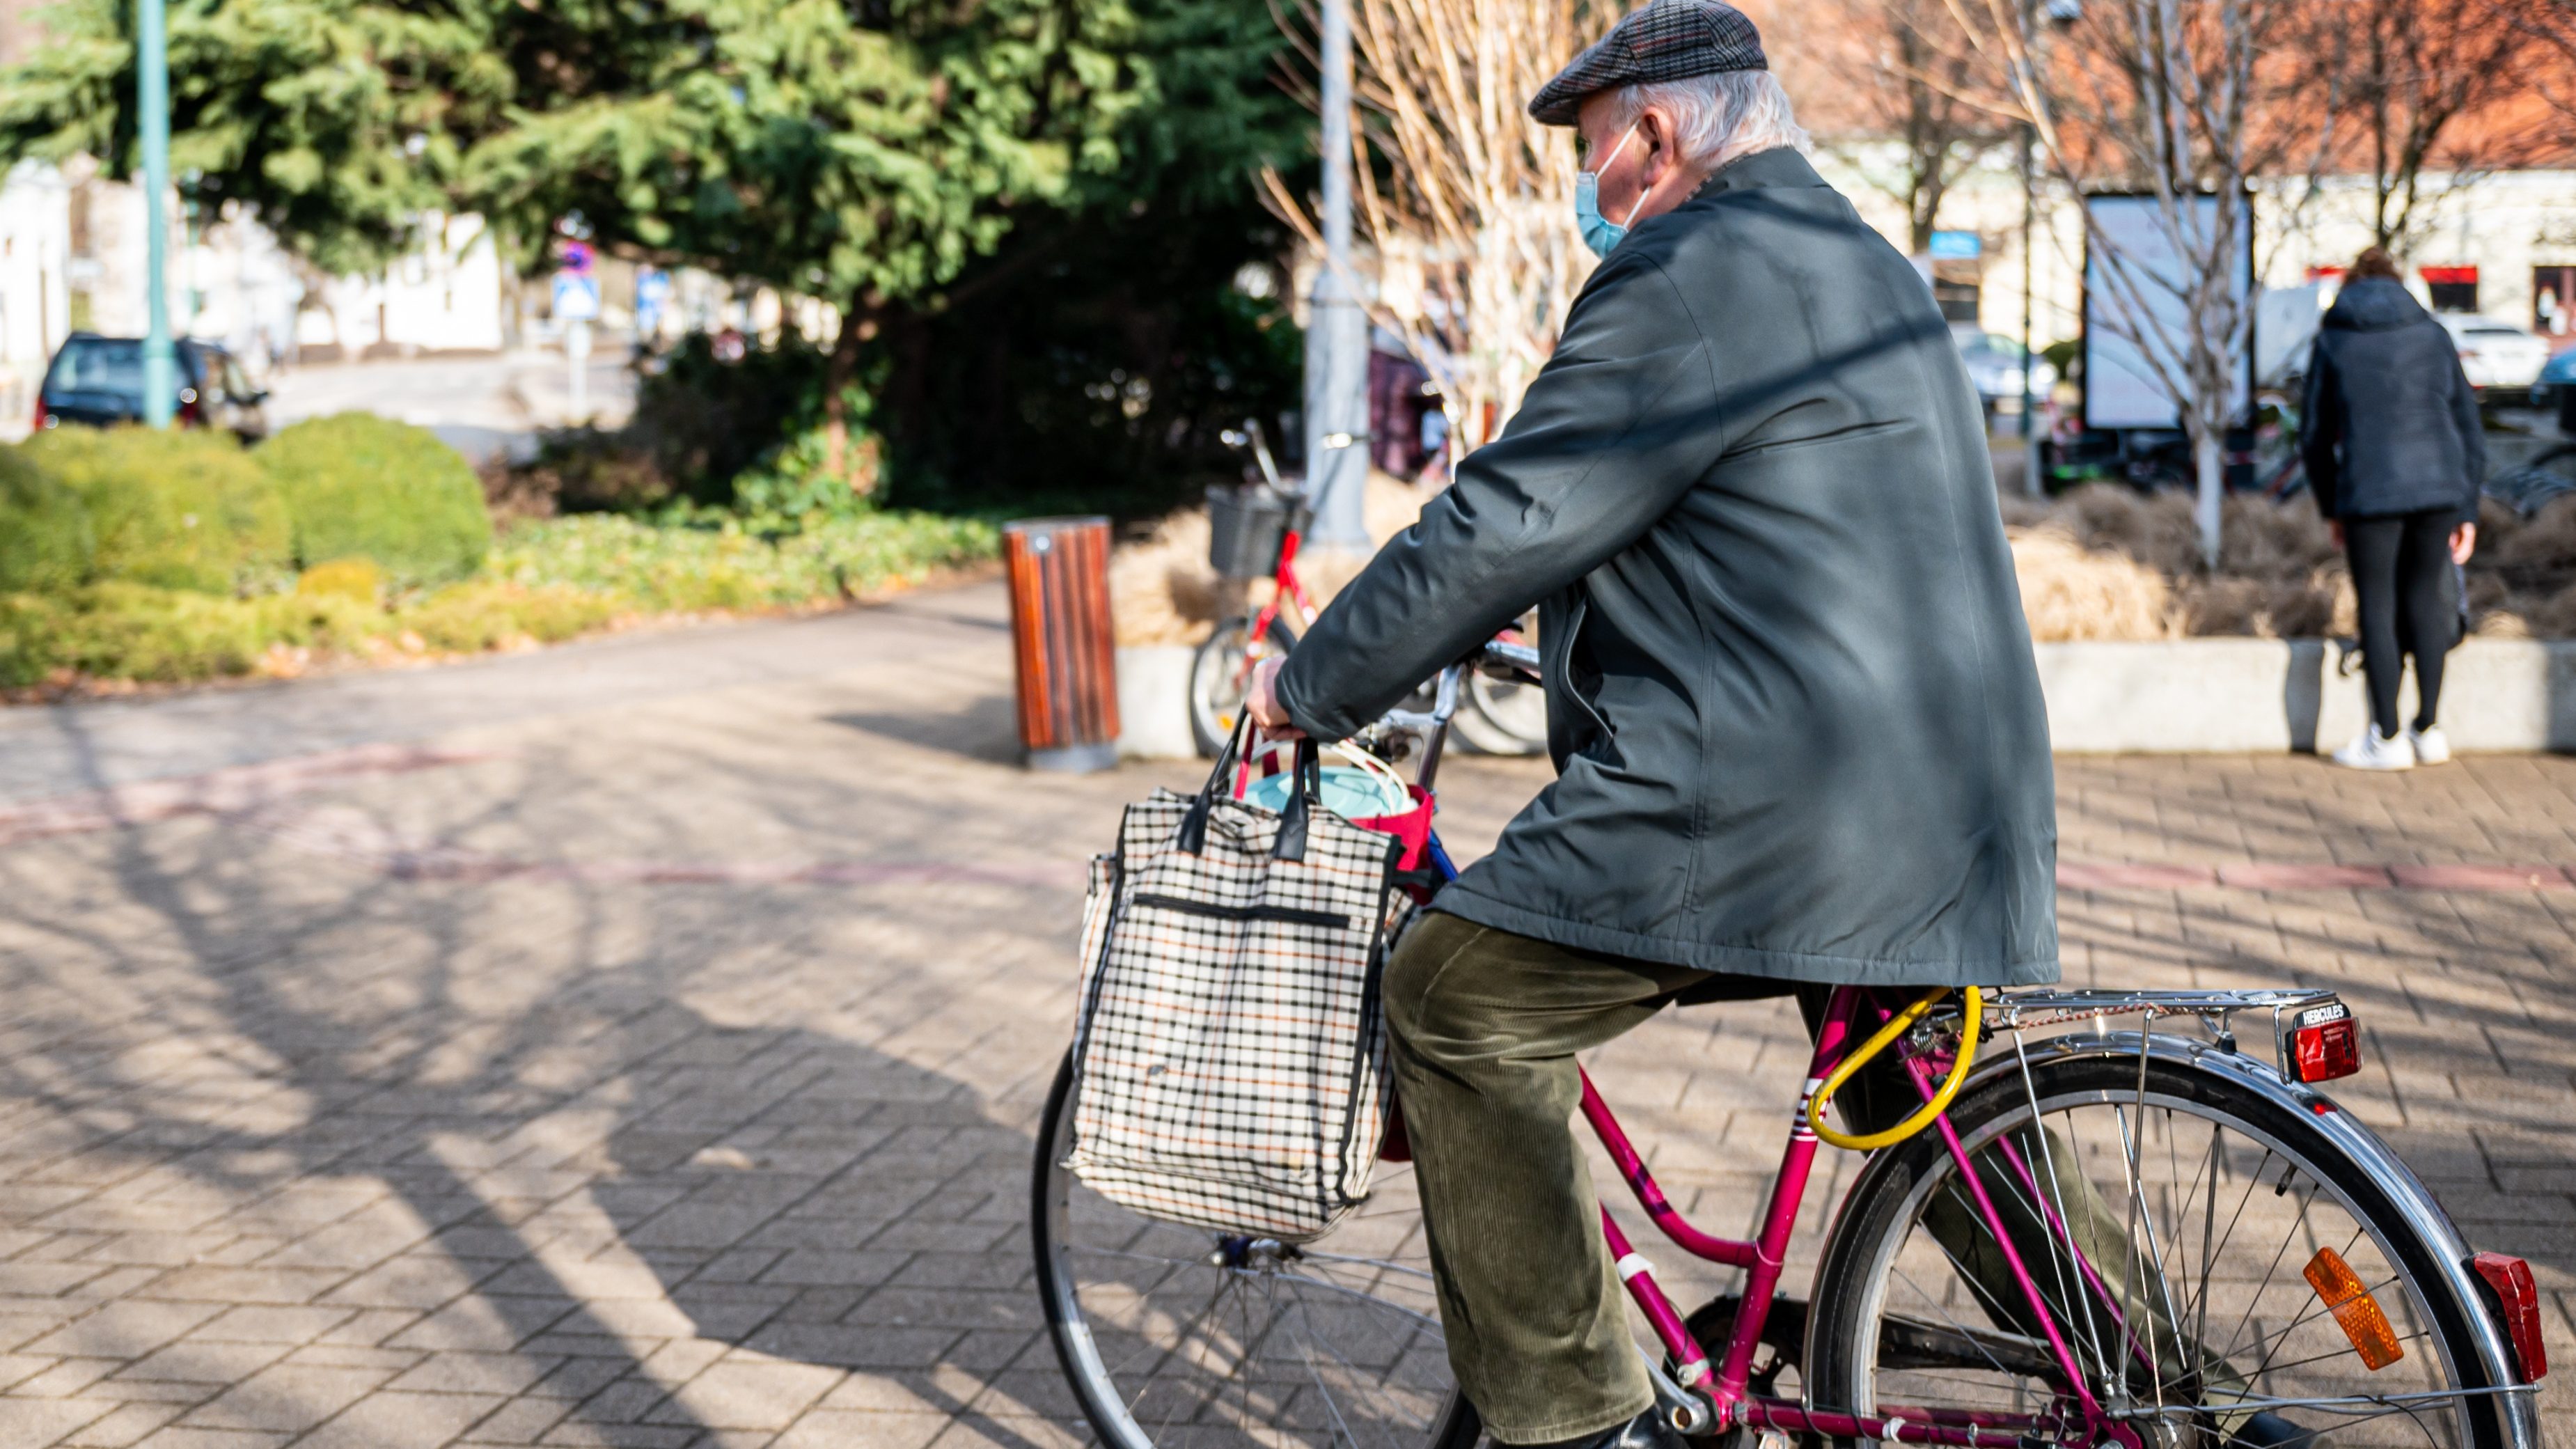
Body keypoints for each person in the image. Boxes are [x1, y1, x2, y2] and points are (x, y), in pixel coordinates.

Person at [1244, 4, 2061, 1444]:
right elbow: (1786, 527)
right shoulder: (1858, 257)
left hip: (1778, 800)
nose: (1588, 188)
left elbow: (1511, 510)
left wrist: (1308, 683)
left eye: (1588, 152)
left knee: (1450, 997)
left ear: (1654, 133)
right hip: (1955, 794)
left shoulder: (1690, 270)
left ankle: (1575, 1418)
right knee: (1931, 1111)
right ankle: (2171, 1380)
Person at [2302, 247, 2485, 771]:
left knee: (2377, 607)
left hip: (2369, 491)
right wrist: (2468, 508)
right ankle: (2428, 729)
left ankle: (2385, 738)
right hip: (2439, 491)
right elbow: (2468, 425)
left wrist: (2330, 504)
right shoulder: (2432, 334)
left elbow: (2313, 436)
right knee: (2427, 600)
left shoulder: (2334, 338)